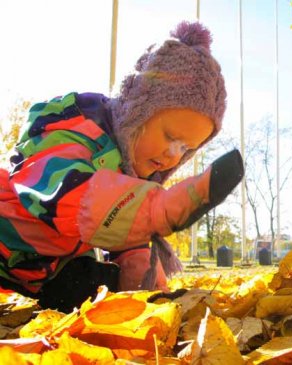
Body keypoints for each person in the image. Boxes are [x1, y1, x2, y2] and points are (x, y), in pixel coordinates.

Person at [0, 21, 244, 312]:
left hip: (46, 272)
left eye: (186, 148)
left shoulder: (136, 180)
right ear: (138, 111)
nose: (173, 156)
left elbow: (130, 243)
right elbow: (69, 196)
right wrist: (156, 210)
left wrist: (152, 297)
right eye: (170, 137)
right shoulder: (75, 130)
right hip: (7, 243)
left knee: (96, 287)